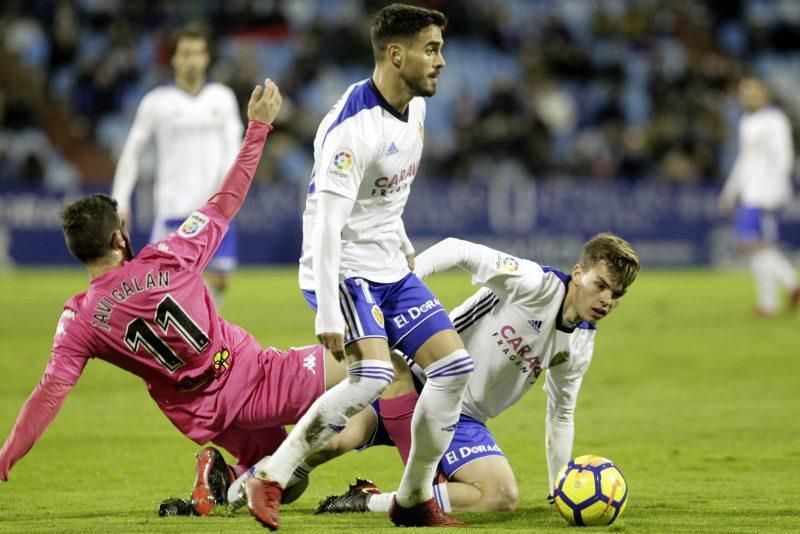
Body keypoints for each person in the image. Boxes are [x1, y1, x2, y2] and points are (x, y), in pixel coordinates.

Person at [0, 81, 346, 516]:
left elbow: (49, 393)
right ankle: (428, 484)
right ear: (118, 236)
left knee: (287, 480)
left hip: (202, 414)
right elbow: (227, 200)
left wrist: (7, 453)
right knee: (366, 365)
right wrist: (258, 127)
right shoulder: (169, 257)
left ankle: (223, 478)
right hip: (252, 375)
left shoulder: (81, 319)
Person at [241, 3, 474, 530]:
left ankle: (413, 499)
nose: (441, 61)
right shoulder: (353, 130)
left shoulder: (415, 105)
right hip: (344, 267)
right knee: (370, 375)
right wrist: (327, 310)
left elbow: (388, 196)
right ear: (396, 54)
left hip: (389, 265)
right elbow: (326, 227)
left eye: (440, 48)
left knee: (454, 367)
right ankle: (271, 475)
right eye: (430, 49)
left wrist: (404, 240)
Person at [282, 233, 639, 515]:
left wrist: (558, 489)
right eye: (600, 285)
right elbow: (458, 249)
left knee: (500, 496)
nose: (607, 300)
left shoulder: (578, 346)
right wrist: (400, 284)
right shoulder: (535, 283)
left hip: (463, 418)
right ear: (579, 273)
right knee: (322, 446)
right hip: (420, 376)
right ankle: (242, 477)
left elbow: (560, 414)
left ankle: (370, 501)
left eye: (617, 294)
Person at [111, 25, 243, 304]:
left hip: (213, 209)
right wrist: (120, 200)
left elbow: (235, 150)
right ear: (174, 59)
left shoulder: (222, 98)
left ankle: (197, 335)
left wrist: (226, 196)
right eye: (186, 54)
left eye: (198, 53)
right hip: (173, 208)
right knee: (165, 284)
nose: (192, 60)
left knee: (220, 280)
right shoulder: (157, 102)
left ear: (207, 58)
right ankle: (178, 337)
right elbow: (133, 151)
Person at [719, 77, 800, 316]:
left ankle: (785, 288)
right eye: (743, 93)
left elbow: (784, 157)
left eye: (751, 93)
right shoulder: (747, 121)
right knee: (756, 246)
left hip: (766, 193)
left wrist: (774, 193)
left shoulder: (775, 120)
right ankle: (772, 301)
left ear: (763, 95)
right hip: (750, 193)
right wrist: (730, 191)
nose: (746, 97)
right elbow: (744, 161)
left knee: (751, 243)